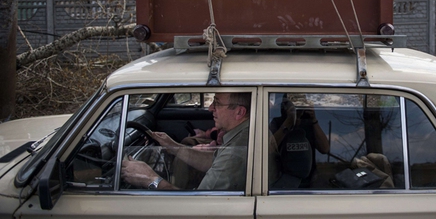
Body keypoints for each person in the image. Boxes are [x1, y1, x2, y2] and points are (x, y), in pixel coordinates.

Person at [121, 92, 251, 191]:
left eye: (217, 103)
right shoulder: (243, 135)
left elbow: (199, 204)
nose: (210, 108)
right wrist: (174, 147)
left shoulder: (234, 155)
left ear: (239, 112)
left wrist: (150, 179)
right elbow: (214, 160)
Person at [269, 94, 329, 187]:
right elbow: (269, 149)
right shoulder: (278, 122)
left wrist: (313, 119)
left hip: (309, 182)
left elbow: (325, 149)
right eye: (294, 103)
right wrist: (289, 121)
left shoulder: (309, 122)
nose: (298, 106)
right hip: (282, 182)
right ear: (285, 106)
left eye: (302, 103)